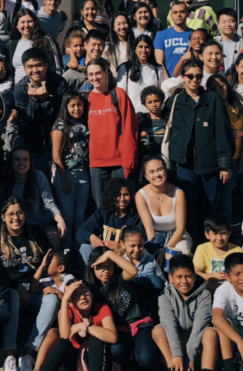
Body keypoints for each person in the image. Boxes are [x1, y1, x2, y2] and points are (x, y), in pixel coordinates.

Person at [14, 280, 117, 371]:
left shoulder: (102, 308)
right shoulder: (67, 310)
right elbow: (64, 335)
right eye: (75, 295)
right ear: (70, 301)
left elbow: (112, 336)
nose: (81, 297)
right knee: (62, 341)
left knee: (96, 340)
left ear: (92, 294)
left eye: (84, 291)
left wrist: (86, 327)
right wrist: (64, 303)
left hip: (99, 368)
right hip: (75, 369)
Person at [162, 60, 234, 228]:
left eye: (198, 76)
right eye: (190, 76)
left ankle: (207, 243)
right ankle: (189, 243)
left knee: (209, 206)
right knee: (187, 205)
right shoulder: (175, 101)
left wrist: (225, 164)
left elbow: (223, 133)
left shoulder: (213, 100)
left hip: (210, 162)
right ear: (183, 77)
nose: (194, 79)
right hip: (185, 163)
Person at [0, 197, 57, 371]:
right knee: (11, 295)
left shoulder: (36, 234)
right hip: (12, 291)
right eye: (11, 214)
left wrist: (47, 285)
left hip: (36, 288)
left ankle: (28, 354)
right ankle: (10, 356)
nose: (16, 217)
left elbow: (50, 261)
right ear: (3, 217)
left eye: (20, 213)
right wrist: (16, 286)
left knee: (53, 300)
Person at [152, 254, 218, 371]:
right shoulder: (164, 296)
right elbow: (169, 325)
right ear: (171, 277)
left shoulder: (205, 295)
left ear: (195, 276)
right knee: (157, 330)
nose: (184, 281)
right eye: (179, 277)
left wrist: (189, 355)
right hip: (177, 343)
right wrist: (177, 355)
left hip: (196, 343)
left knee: (211, 333)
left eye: (188, 276)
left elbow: (200, 326)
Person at [85, 58, 138, 204]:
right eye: (91, 74)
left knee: (122, 206)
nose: (95, 78)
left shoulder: (118, 94)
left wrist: (128, 163)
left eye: (98, 73)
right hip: (96, 165)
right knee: (101, 207)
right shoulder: (85, 99)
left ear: (105, 72)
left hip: (120, 163)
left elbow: (130, 130)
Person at [14, 47, 70, 170]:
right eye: (30, 66)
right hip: (34, 144)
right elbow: (28, 120)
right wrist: (34, 100)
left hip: (58, 141)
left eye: (39, 65)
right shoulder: (20, 88)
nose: (35, 70)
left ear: (46, 65)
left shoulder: (59, 83)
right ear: (24, 68)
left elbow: (60, 116)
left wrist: (45, 99)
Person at [3, 147, 66, 247]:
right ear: (10, 162)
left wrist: (59, 219)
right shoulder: (4, 184)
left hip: (41, 225)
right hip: (17, 227)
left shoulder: (39, 176)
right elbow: (1, 212)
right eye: (17, 159)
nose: (21, 163)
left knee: (53, 236)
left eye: (25, 159)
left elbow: (49, 203)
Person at [51, 92, 91, 246]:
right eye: (72, 105)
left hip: (83, 174)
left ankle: (79, 248)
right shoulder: (60, 125)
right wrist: (64, 179)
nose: (76, 108)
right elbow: (56, 154)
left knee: (80, 216)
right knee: (67, 215)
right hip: (66, 174)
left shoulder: (84, 123)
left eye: (79, 105)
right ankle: (66, 248)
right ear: (66, 106)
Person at [76, 177, 142, 265]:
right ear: (111, 196)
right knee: (85, 247)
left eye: (126, 194)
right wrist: (92, 237)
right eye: (118, 195)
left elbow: (141, 243)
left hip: (125, 257)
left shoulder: (136, 216)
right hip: (104, 255)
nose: (122, 199)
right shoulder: (104, 211)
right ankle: (90, 276)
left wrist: (119, 246)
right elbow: (80, 233)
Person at [135, 155, 193, 256]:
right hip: (154, 237)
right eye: (151, 172)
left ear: (166, 171)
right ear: (146, 176)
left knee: (181, 255)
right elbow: (149, 228)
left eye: (160, 169)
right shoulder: (140, 195)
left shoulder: (178, 193)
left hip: (177, 237)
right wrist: (154, 248)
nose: (157, 174)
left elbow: (180, 229)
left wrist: (165, 249)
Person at [8, 8, 61, 80]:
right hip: (18, 89)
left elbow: (56, 68)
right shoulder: (11, 44)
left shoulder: (45, 41)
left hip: (41, 88)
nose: (26, 25)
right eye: (22, 22)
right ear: (16, 25)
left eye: (29, 21)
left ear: (35, 23)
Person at [193, 215, 243, 282]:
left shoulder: (237, 250)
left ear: (229, 233)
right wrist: (212, 276)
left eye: (223, 233)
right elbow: (195, 274)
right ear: (207, 234)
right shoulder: (202, 249)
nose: (219, 238)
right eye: (215, 234)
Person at [119, 225, 166, 293]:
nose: (137, 250)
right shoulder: (120, 262)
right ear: (123, 244)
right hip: (133, 298)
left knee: (156, 280)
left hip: (150, 297)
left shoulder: (150, 259)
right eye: (132, 246)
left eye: (140, 245)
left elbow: (163, 281)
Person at [154, 1, 193, 76]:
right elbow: (159, 63)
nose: (178, 15)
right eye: (175, 12)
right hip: (169, 81)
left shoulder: (194, 35)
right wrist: (168, 82)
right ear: (171, 16)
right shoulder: (161, 35)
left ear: (188, 14)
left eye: (182, 12)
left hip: (191, 80)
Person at [137, 86, 167, 156]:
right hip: (145, 158)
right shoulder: (141, 119)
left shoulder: (167, 119)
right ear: (145, 104)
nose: (154, 105)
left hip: (164, 158)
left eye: (156, 101)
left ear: (162, 101)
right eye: (149, 102)